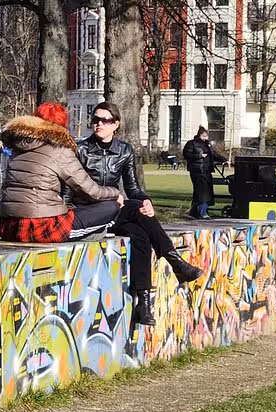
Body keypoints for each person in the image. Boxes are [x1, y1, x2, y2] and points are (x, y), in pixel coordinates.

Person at [73, 102, 204, 325]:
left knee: (140, 234)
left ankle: (143, 304)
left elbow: (132, 187)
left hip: (114, 213)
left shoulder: (124, 150)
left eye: (104, 120)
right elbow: (72, 188)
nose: (98, 124)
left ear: (116, 124)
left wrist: (147, 202)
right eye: (95, 119)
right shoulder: (81, 149)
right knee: (134, 207)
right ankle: (176, 262)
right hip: (89, 213)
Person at [0, 102, 121, 244]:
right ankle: (95, 233)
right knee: (111, 207)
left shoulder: (18, 148)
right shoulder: (60, 150)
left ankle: (93, 233)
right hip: (41, 227)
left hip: (8, 227)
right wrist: (116, 194)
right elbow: (92, 191)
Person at [183, 126, 226, 219]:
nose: (205, 138)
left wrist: (224, 160)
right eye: (203, 136)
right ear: (199, 135)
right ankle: (201, 211)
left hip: (207, 170)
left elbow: (214, 154)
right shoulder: (191, 144)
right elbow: (187, 154)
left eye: (206, 136)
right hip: (197, 170)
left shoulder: (208, 145)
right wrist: (199, 155)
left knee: (204, 191)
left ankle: (195, 211)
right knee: (201, 191)